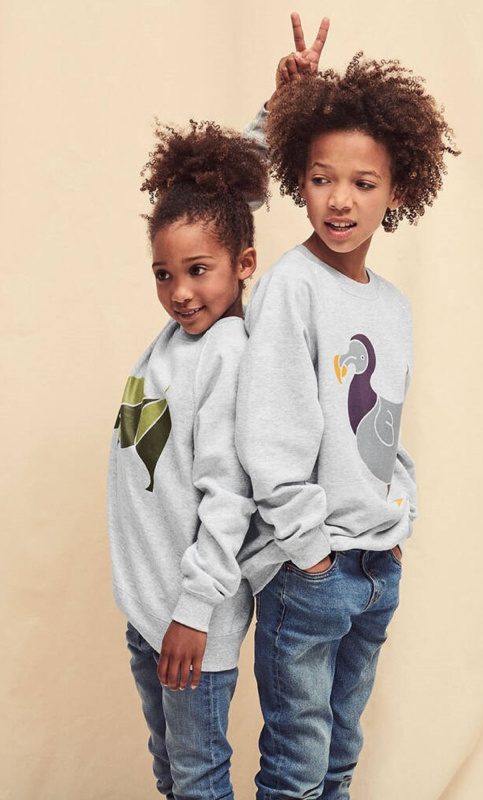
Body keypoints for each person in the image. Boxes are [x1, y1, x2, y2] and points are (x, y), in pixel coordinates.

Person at [236, 40, 459, 799]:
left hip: (375, 566)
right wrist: (310, 555)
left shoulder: (392, 307)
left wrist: (399, 521)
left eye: (364, 183)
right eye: (321, 178)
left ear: (398, 190)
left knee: (339, 758)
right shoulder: (290, 289)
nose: (340, 200)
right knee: (297, 766)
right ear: (297, 177)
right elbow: (268, 433)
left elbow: (384, 431)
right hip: (312, 572)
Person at [107, 119, 268, 800]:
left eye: (198, 271)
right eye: (163, 274)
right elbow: (224, 194)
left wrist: (193, 612)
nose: (179, 291)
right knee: (173, 775)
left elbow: (231, 497)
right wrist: (270, 114)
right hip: (151, 611)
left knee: (198, 781)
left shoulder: (228, 352)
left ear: (244, 265)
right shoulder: (180, 338)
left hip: (191, 621)